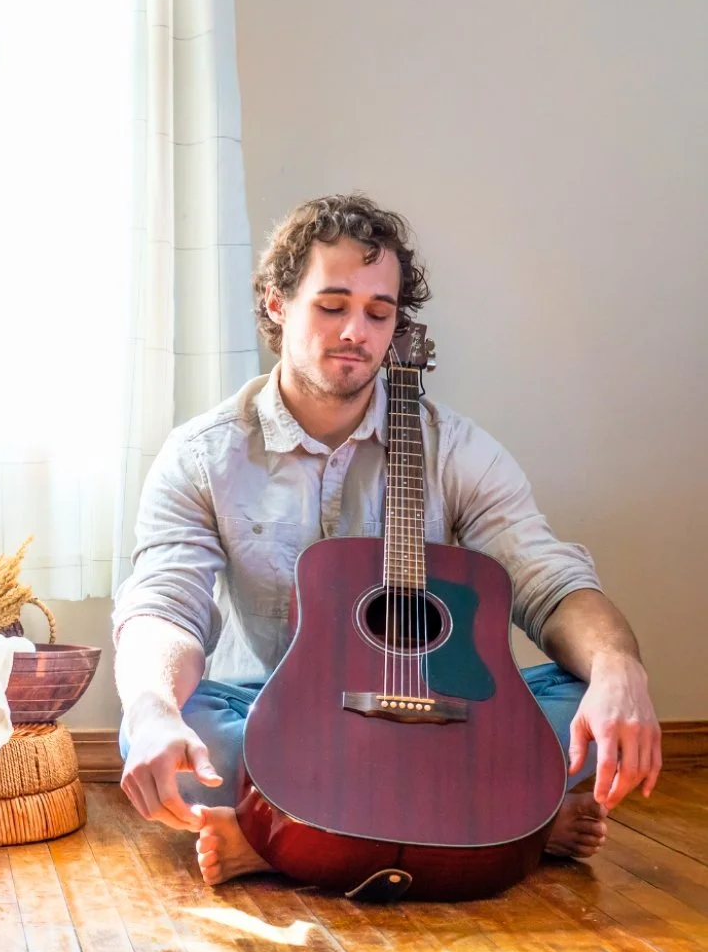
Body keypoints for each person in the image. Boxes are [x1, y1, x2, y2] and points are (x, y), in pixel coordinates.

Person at [113, 193, 661, 885]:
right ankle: (506, 825)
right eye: (333, 304)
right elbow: (167, 605)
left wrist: (620, 671)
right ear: (278, 306)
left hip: (436, 719)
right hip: (281, 718)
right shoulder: (202, 456)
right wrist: (158, 707)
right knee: (155, 725)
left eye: (378, 312)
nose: (356, 331)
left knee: (592, 700)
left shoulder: (458, 450)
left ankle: (284, 838)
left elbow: (548, 580)